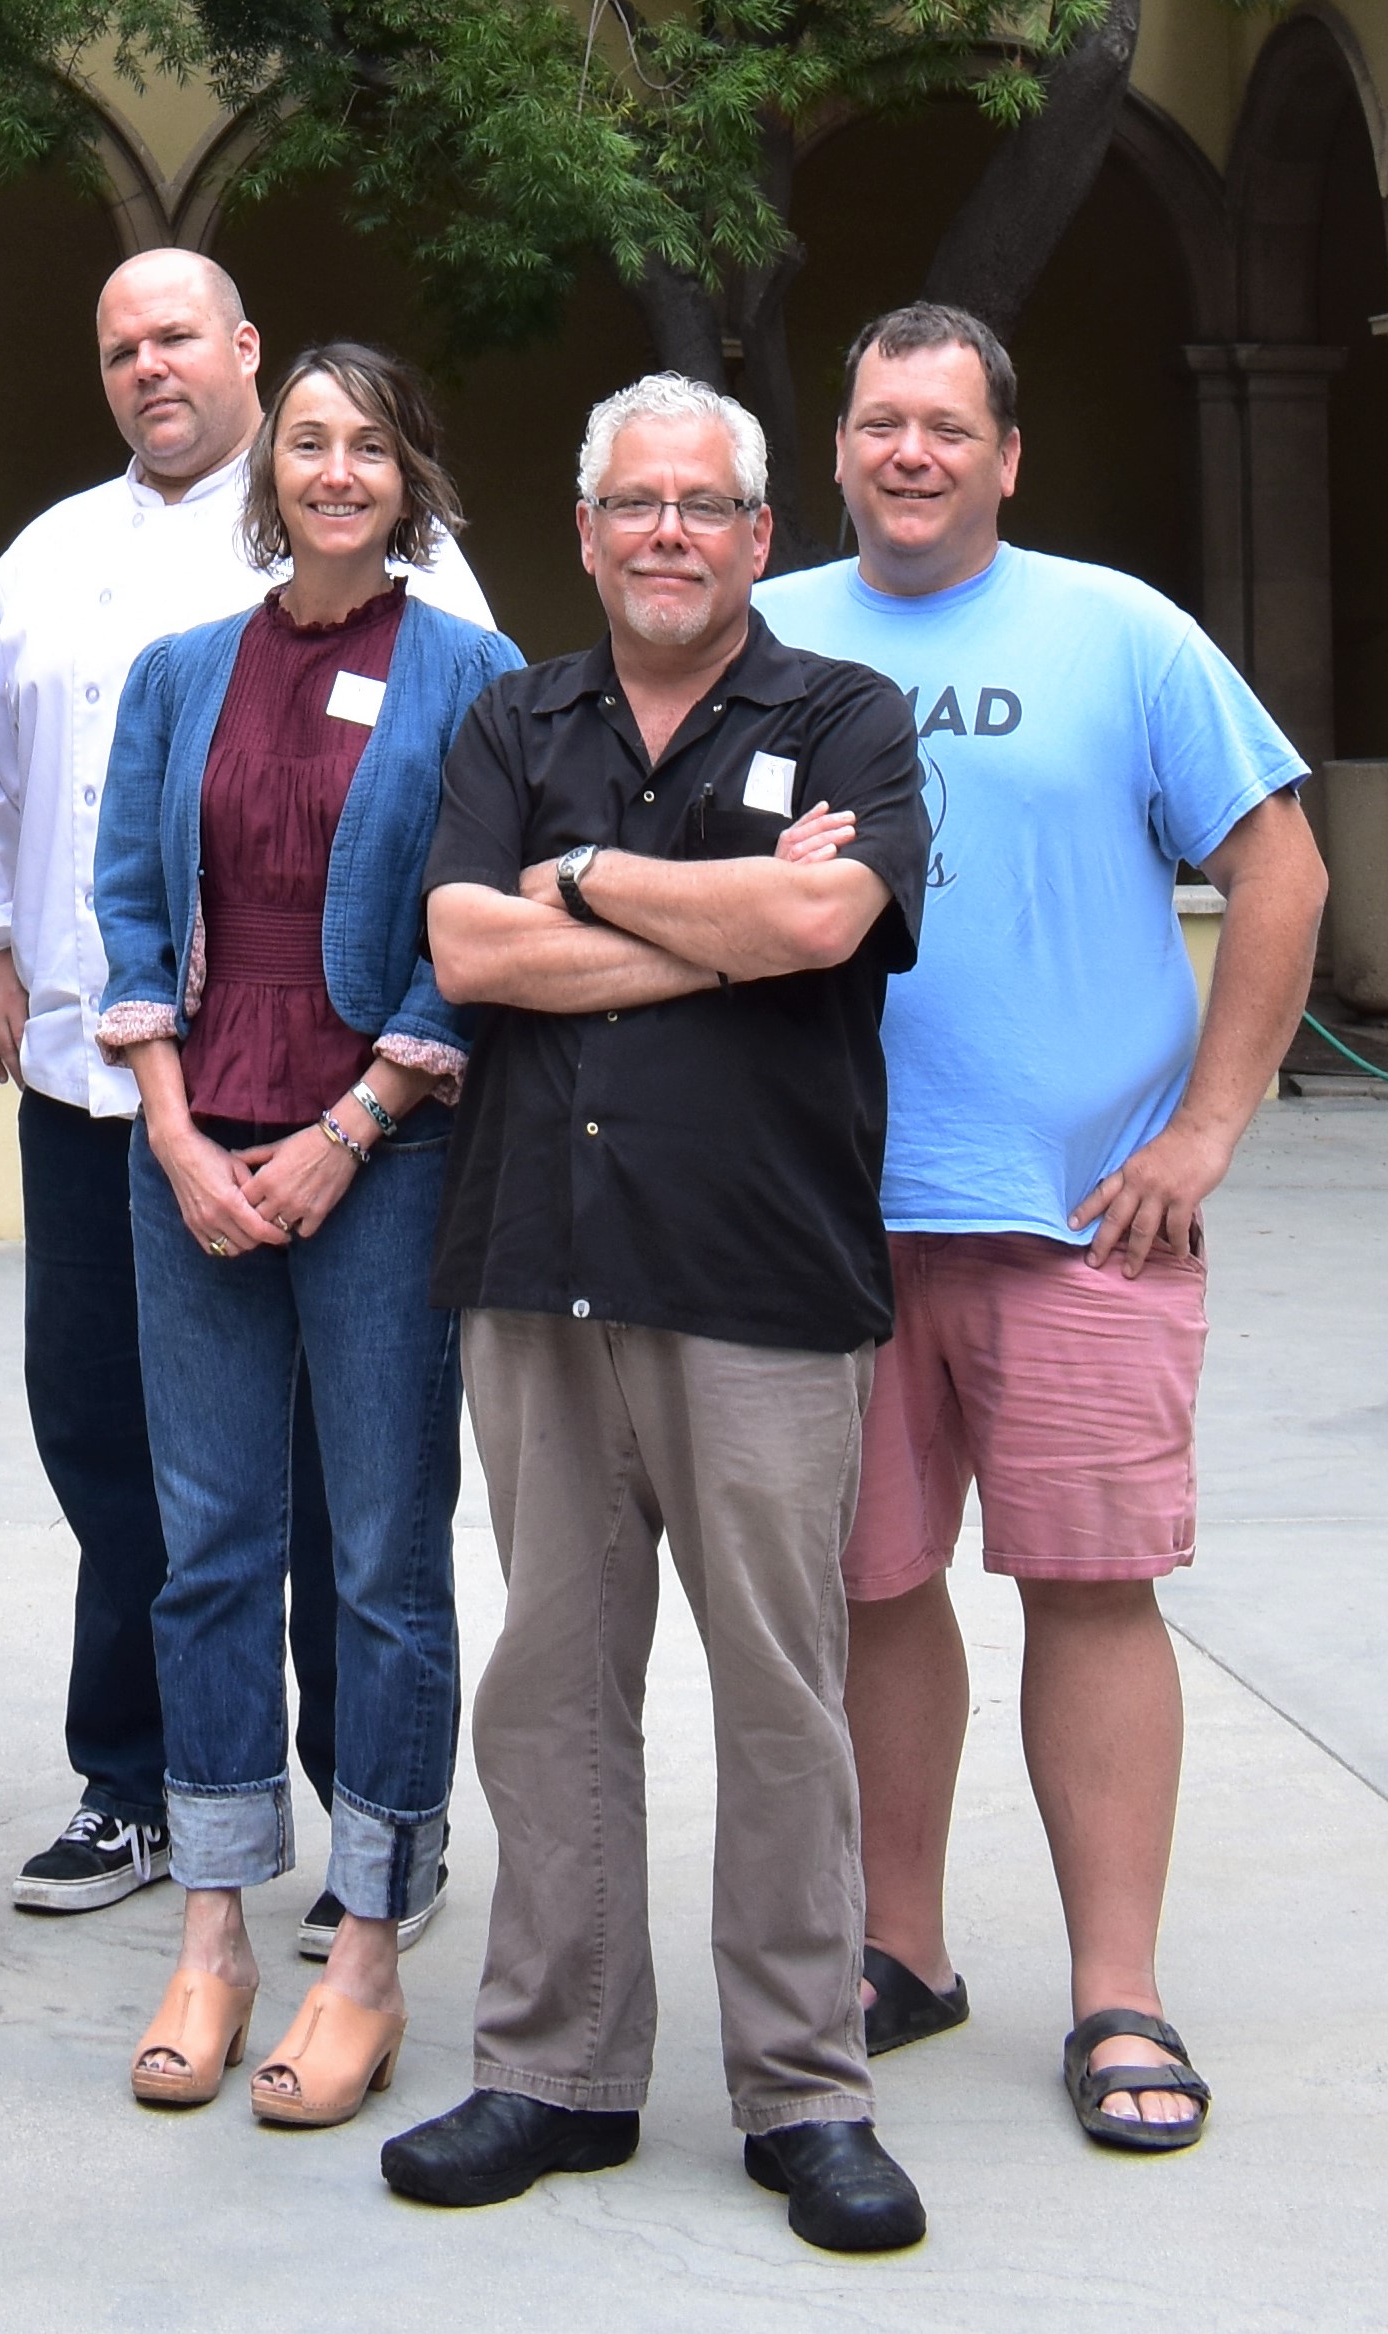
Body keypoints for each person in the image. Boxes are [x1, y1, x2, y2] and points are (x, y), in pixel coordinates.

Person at [754, 303, 1323, 2152]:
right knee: (870, 1591)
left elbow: (1277, 860)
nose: (905, 453)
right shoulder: (777, 639)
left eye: (943, 426)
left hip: (1082, 1218)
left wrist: (1211, 1124)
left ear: (1007, 455)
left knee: (1090, 1587)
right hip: (827, 1217)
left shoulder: (1121, 632)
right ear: (832, 453)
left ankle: (1116, 1992)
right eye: (874, 424)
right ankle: (897, 1951)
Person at [382, 374, 934, 2252]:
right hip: (535, 1263)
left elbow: (819, 929)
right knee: (547, 1691)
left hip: (760, 1278)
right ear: (589, 525)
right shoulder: (505, 714)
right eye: (637, 504)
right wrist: (709, 921)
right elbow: (465, 949)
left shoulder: (844, 711)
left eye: (706, 504)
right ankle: (555, 2069)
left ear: (758, 536)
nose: (671, 533)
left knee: (781, 1697)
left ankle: (803, 2093)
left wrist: (595, 881)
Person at [0, 250, 496, 1957]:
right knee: (117, 1445)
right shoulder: (49, 558)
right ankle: (137, 1776)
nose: (147, 368)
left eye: (176, 336)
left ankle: (357, 1795)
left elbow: (481, 821)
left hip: (345, 1114)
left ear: (242, 351)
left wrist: (373, 1094)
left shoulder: (428, 595)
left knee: (344, 1479)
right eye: (118, 347)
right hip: (106, 1087)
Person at [92, 343, 517, 2125]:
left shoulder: (474, 674)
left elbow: (470, 928)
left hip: (384, 1154)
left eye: (368, 444)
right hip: (192, 1149)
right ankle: (211, 1927)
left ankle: (365, 1948)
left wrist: (354, 1125)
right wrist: (179, 1129)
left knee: (380, 1561)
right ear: (270, 478)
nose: (334, 471)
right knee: (205, 1546)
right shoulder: (181, 671)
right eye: (308, 445)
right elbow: (122, 900)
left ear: (412, 473)